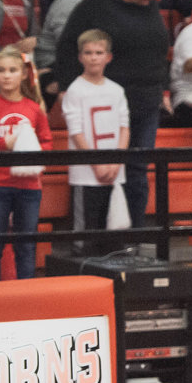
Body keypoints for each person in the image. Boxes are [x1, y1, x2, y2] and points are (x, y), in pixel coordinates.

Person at [54, 0, 170, 226]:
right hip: (105, 101)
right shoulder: (96, 5)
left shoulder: (150, 6)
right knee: (100, 169)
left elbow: (158, 50)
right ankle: (94, 237)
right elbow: (68, 45)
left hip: (146, 100)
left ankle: (134, 235)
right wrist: (66, 87)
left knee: (138, 170)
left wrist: (162, 89)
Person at [0, 47, 52, 281]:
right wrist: (4, 142)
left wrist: (32, 152)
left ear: (23, 74)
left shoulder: (34, 109)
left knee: (26, 246)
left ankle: (26, 292)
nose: (7, 75)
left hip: (29, 186)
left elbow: (47, 145)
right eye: (2, 70)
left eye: (13, 70)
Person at [61, 29, 130, 249]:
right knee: (87, 234)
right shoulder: (75, 90)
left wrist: (116, 162)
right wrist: (97, 163)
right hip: (86, 174)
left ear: (108, 57)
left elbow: (124, 127)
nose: (93, 57)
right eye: (88, 52)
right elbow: (76, 131)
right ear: (80, 57)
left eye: (99, 52)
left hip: (113, 171)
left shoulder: (116, 90)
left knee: (113, 234)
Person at [36, 0, 110, 89]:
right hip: (53, 60)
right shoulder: (69, 0)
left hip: (84, 56)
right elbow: (66, 43)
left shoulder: (100, 2)